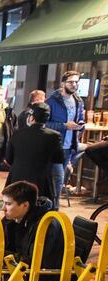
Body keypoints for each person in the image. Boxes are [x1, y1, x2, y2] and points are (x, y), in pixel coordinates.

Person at [5, 102, 64, 203]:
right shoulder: (54, 136)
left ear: (31, 118)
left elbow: (9, 159)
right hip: (41, 184)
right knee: (41, 212)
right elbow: (59, 159)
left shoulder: (17, 134)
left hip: (16, 181)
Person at [46, 70, 86, 208]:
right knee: (57, 181)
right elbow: (44, 124)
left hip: (69, 148)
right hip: (55, 147)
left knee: (59, 181)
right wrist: (64, 126)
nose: (74, 85)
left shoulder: (79, 101)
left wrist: (80, 126)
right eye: (71, 82)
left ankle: (50, 210)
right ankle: (53, 212)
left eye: (76, 82)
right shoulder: (52, 101)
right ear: (63, 83)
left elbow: (81, 119)